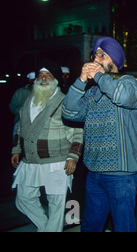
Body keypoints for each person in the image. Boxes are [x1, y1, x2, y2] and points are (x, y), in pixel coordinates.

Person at [62, 37, 137, 232]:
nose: (96, 58)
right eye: (95, 55)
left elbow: (121, 96)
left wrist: (98, 75)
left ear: (113, 62)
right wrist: (81, 81)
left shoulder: (128, 83)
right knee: (91, 225)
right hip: (94, 172)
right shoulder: (91, 93)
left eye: (102, 55)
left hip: (120, 175)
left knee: (123, 227)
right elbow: (69, 112)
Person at [11, 60, 83, 232]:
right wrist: (16, 149)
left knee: (56, 204)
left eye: (48, 75)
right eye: (40, 75)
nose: (43, 78)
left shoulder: (65, 102)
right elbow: (20, 126)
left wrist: (73, 157)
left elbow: (77, 132)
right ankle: (46, 227)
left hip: (57, 162)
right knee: (23, 198)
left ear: (55, 79)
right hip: (30, 160)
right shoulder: (29, 99)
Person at [9, 71, 35, 139]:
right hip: (20, 122)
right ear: (29, 80)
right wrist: (21, 111)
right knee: (17, 143)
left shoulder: (42, 92)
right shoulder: (19, 92)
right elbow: (12, 107)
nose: (34, 82)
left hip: (36, 123)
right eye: (32, 80)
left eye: (36, 80)